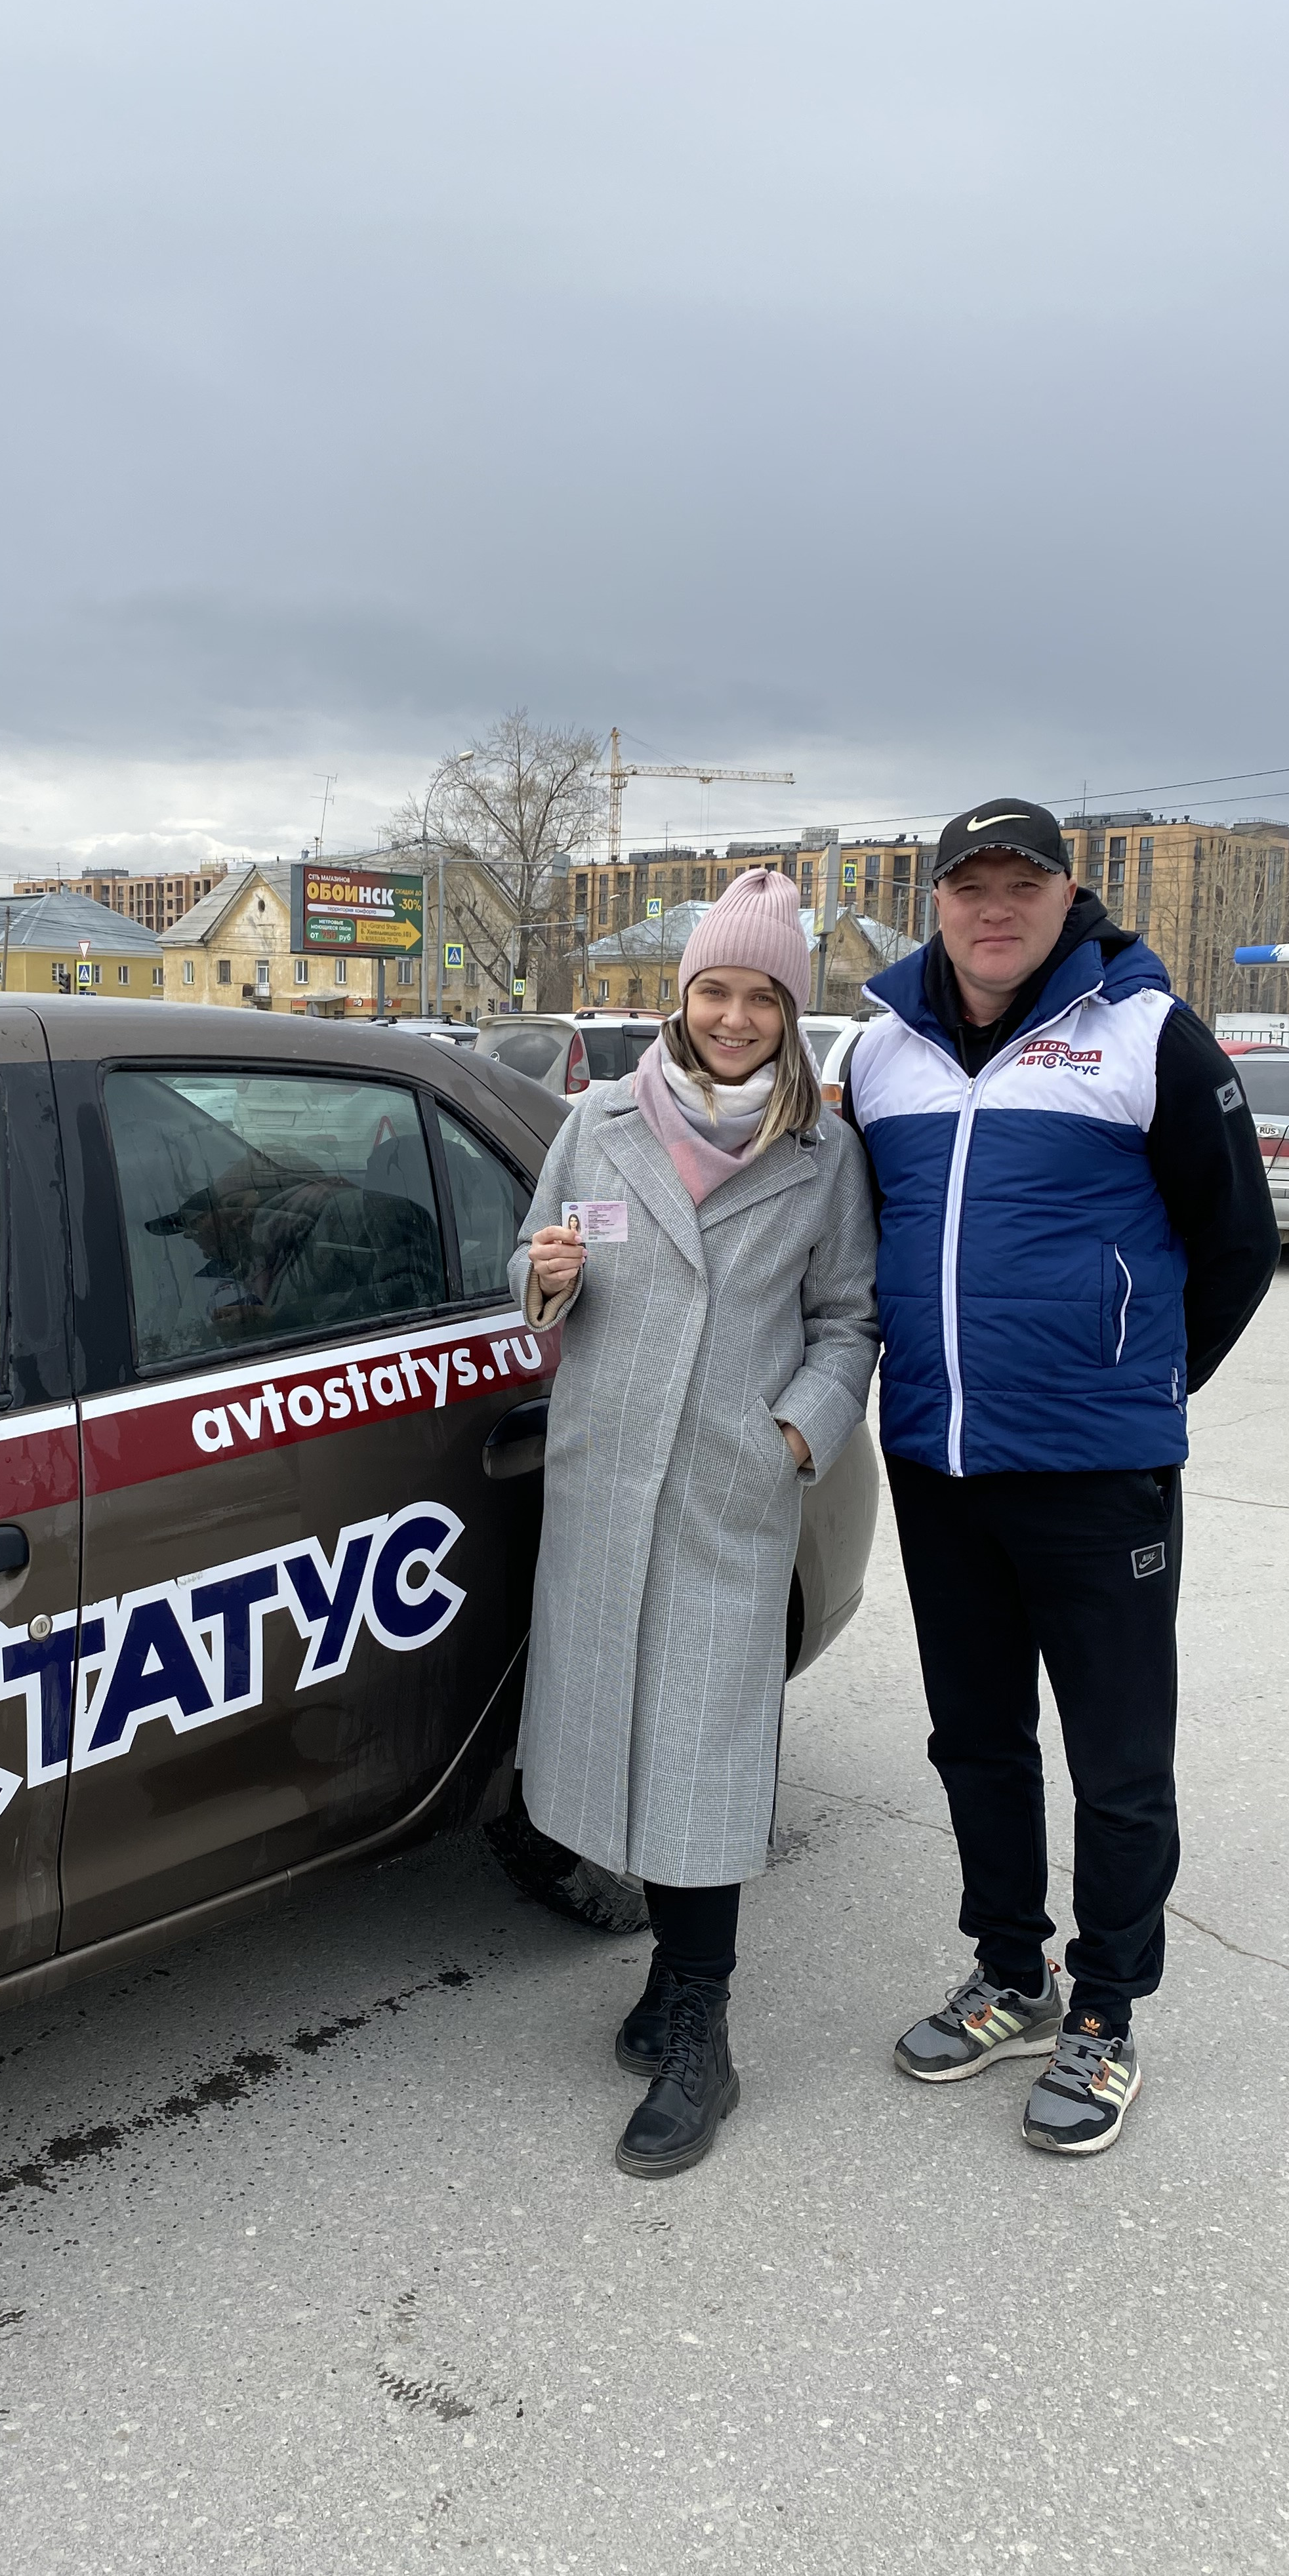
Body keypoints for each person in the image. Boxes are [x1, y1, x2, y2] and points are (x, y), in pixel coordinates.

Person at [843, 798, 1278, 2155]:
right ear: (936, 901)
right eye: (968, 885)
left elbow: (1239, 1244)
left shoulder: (1144, 1032)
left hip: (1098, 1470)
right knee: (974, 1738)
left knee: (1118, 1759)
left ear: (1063, 894)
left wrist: (1136, 1386)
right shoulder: (880, 1054)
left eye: (1019, 885)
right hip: (937, 1460)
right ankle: (1010, 1977)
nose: (993, 909)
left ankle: (1104, 2013)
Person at [511, 868, 879, 2179]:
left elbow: (849, 1323)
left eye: (761, 996)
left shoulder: (824, 1155)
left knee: (706, 1755)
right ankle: (672, 1977)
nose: (734, 1017)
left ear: (790, 1010)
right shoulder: (601, 1121)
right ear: (680, 998)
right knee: (623, 1737)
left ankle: (703, 2035)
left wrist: (794, 1434)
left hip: (730, 1487)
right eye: (714, 990)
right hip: (611, 1484)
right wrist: (543, 1281)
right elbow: (536, 1259)